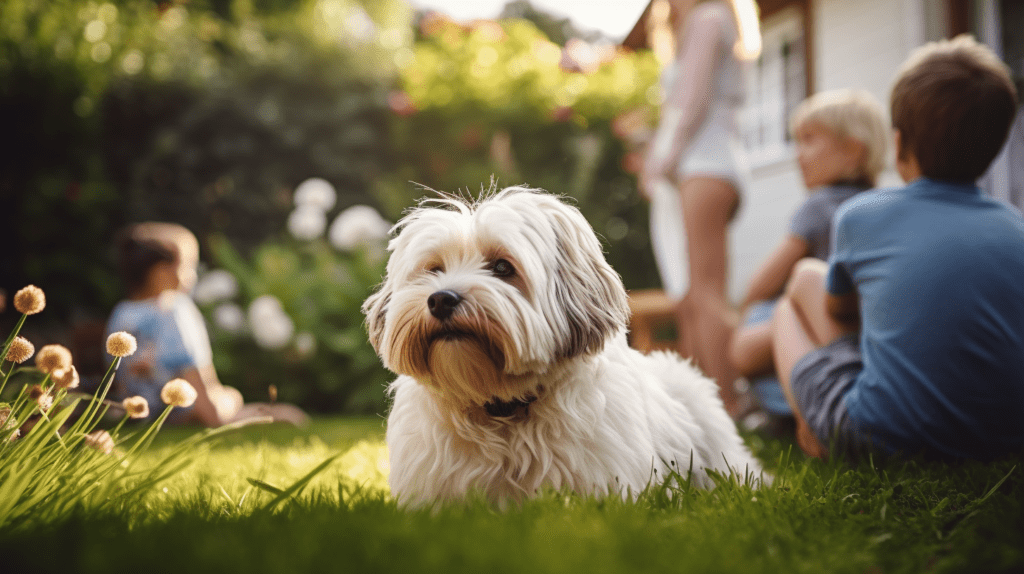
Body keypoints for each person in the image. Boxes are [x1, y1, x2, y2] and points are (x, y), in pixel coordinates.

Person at [771, 36, 1024, 461]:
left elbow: (840, 315)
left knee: (791, 298)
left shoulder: (862, 215)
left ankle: (813, 429)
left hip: (881, 438)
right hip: (1003, 442)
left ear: (900, 142)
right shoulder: (1016, 229)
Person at [729, 89, 888, 416]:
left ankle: (783, 407)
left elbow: (763, 282)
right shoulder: (883, 204)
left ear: (852, 151)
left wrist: (745, 310)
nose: (798, 154)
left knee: (747, 340)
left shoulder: (820, 206)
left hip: (831, 322)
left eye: (809, 140)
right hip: (870, 336)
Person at [639, 0, 760, 418]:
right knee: (690, 298)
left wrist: (659, 162)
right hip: (699, 165)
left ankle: (732, 402)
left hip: (707, 165)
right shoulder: (699, 21)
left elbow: (692, 101)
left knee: (706, 293)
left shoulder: (709, 17)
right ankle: (696, 405)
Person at [106, 222, 306, 427]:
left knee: (229, 397)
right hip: (184, 410)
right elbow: (191, 372)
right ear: (160, 273)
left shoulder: (120, 313)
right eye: (187, 266)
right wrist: (220, 416)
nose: (192, 275)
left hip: (142, 413)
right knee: (231, 397)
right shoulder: (172, 310)